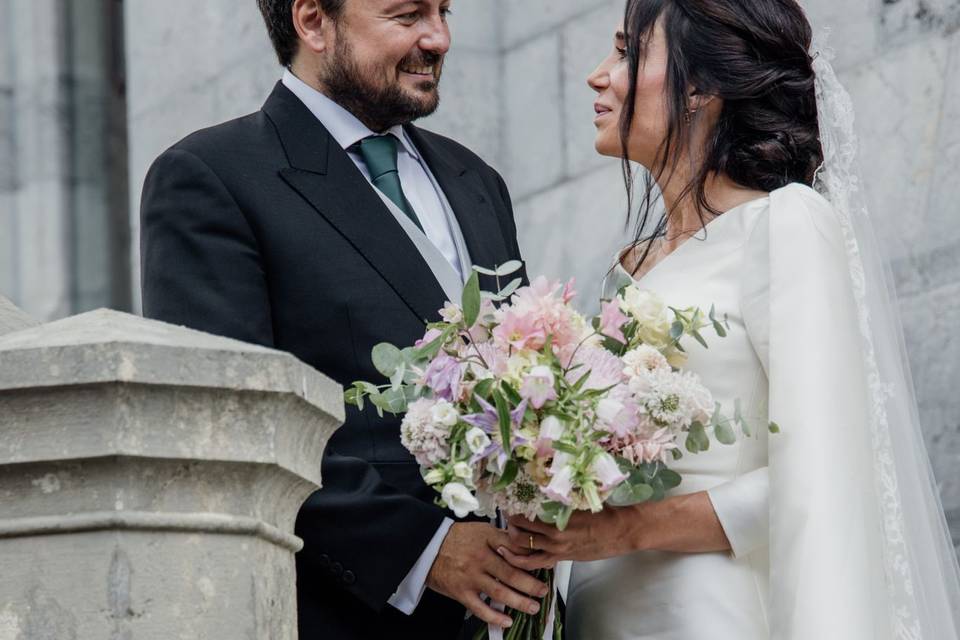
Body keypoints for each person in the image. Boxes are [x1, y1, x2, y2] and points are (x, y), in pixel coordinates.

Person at [503, 0, 960, 638]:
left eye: (627, 51)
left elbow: (828, 471)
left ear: (701, 89)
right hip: (600, 611)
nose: (597, 75)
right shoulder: (626, 268)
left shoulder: (784, 225)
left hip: (710, 613)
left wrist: (627, 528)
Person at [140, 0, 545, 637]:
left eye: (443, 11)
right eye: (407, 15)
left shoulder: (476, 179)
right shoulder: (211, 178)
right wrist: (423, 551)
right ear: (312, 22)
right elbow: (233, 421)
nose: (437, 38)